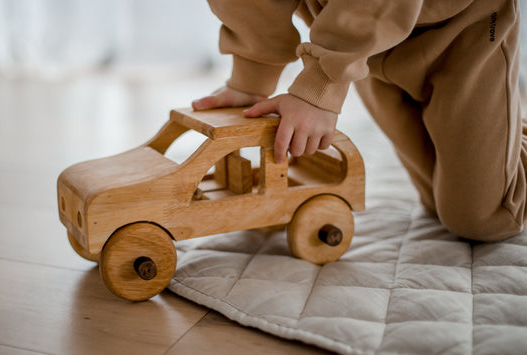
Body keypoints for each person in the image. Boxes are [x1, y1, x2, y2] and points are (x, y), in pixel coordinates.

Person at [192, 0, 526, 242]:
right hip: (368, 48)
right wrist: (251, 78)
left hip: (463, 34)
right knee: (437, 200)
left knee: (484, 217)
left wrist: (322, 83)